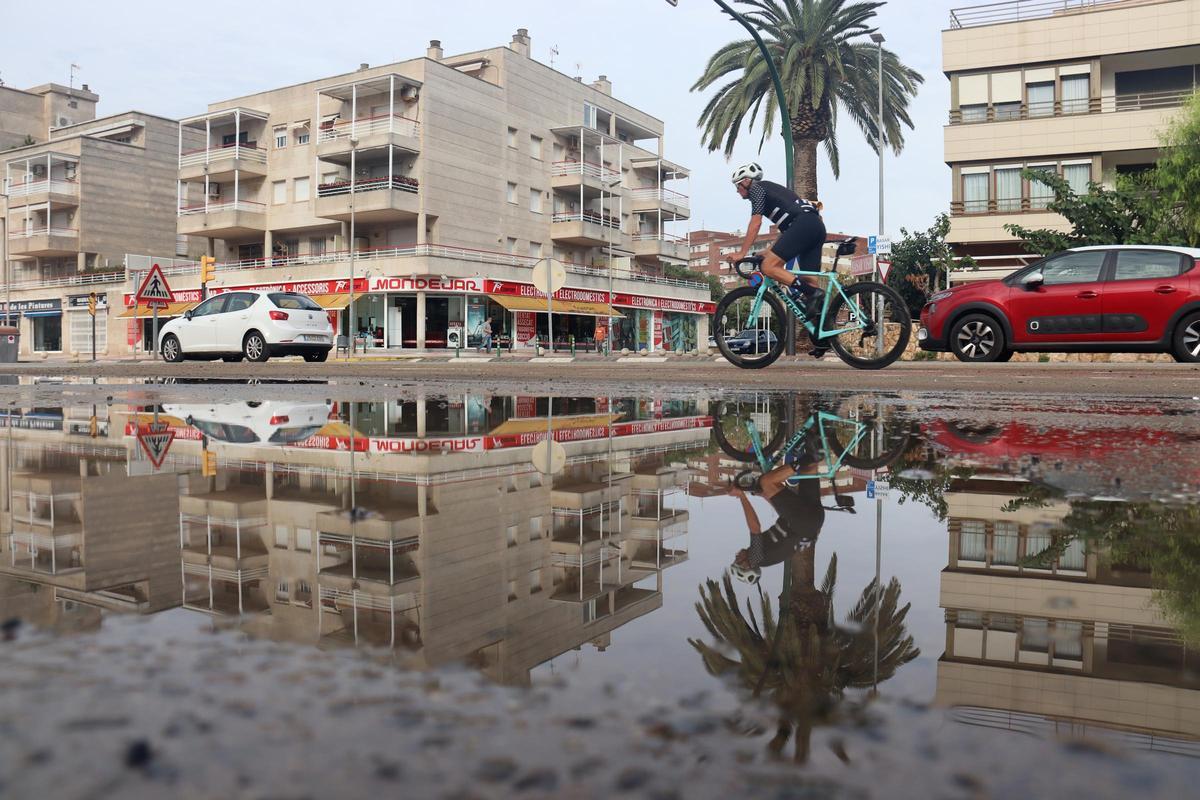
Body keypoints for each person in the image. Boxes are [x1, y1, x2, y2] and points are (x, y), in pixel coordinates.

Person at [726, 162, 831, 359]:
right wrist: (768, 250)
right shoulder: (773, 193)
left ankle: (813, 293)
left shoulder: (757, 190)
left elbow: (755, 222)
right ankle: (822, 337)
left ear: (747, 182)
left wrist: (742, 252)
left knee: (768, 267)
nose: (737, 191)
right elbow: (787, 230)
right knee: (809, 280)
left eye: (738, 186)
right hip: (814, 227)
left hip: (804, 225)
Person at [727, 453, 826, 585]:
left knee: (810, 467)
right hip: (801, 521)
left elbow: (784, 513)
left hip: (814, 521)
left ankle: (817, 442)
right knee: (766, 482)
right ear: (745, 566)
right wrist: (741, 496)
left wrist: (766, 496)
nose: (737, 556)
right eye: (737, 560)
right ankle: (804, 459)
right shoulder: (755, 558)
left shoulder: (769, 557)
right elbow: (755, 527)